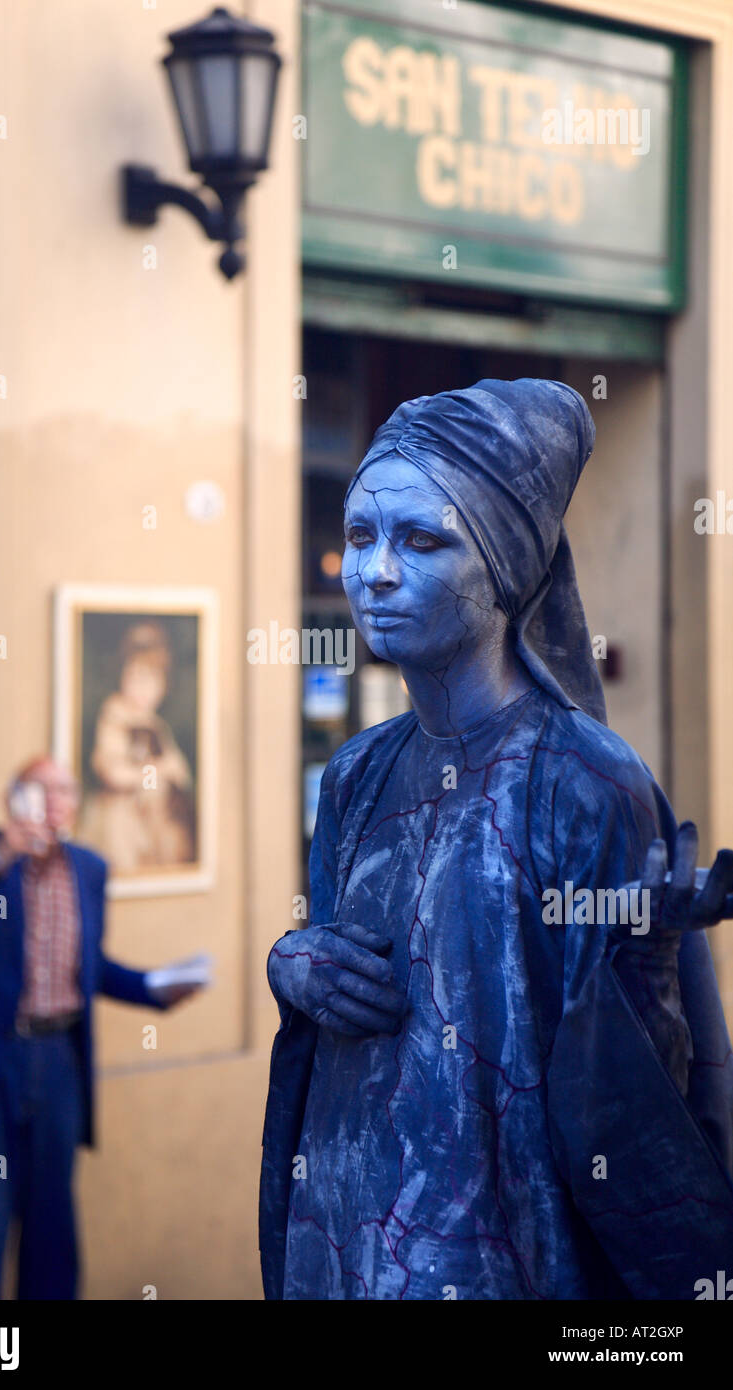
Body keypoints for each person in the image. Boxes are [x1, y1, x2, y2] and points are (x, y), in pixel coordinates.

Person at [259, 378, 733, 1301]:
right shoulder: (355, 775)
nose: (374, 571)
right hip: (354, 1254)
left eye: (421, 539)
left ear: (505, 568)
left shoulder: (584, 780)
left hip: (502, 1262)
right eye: (360, 535)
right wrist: (295, 968)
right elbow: (341, 979)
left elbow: (629, 1101)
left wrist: (639, 960)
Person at [0, 755, 201, 1300]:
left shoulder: (89, 868)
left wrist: (155, 990)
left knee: (52, 1232)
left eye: (65, 789)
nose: (56, 800)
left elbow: (90, 967)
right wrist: (2, 851)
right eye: (41, 790)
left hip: (58, 1062)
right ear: (14, 800)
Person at [78, 621, 195, 872]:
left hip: (156, 819)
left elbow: (179, 770)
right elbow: (112, 773)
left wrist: (167, 770)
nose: (143, 689)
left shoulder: (157, 725)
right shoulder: (116, 715)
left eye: (152, 681)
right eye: (135, 678)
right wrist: (153, 772)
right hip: (124, 818)